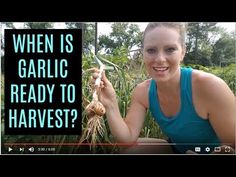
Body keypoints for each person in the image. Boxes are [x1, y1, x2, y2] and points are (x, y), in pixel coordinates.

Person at [90, 22, 235, 154]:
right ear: (143, 53)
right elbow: (126, 139)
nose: (159, 59)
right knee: (130, 151)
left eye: (170, 49)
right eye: (151, 50)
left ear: (183, 52)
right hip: (177, 149)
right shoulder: (143, 92)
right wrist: (110, 104)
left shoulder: (210, 87)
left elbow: (232, 146)